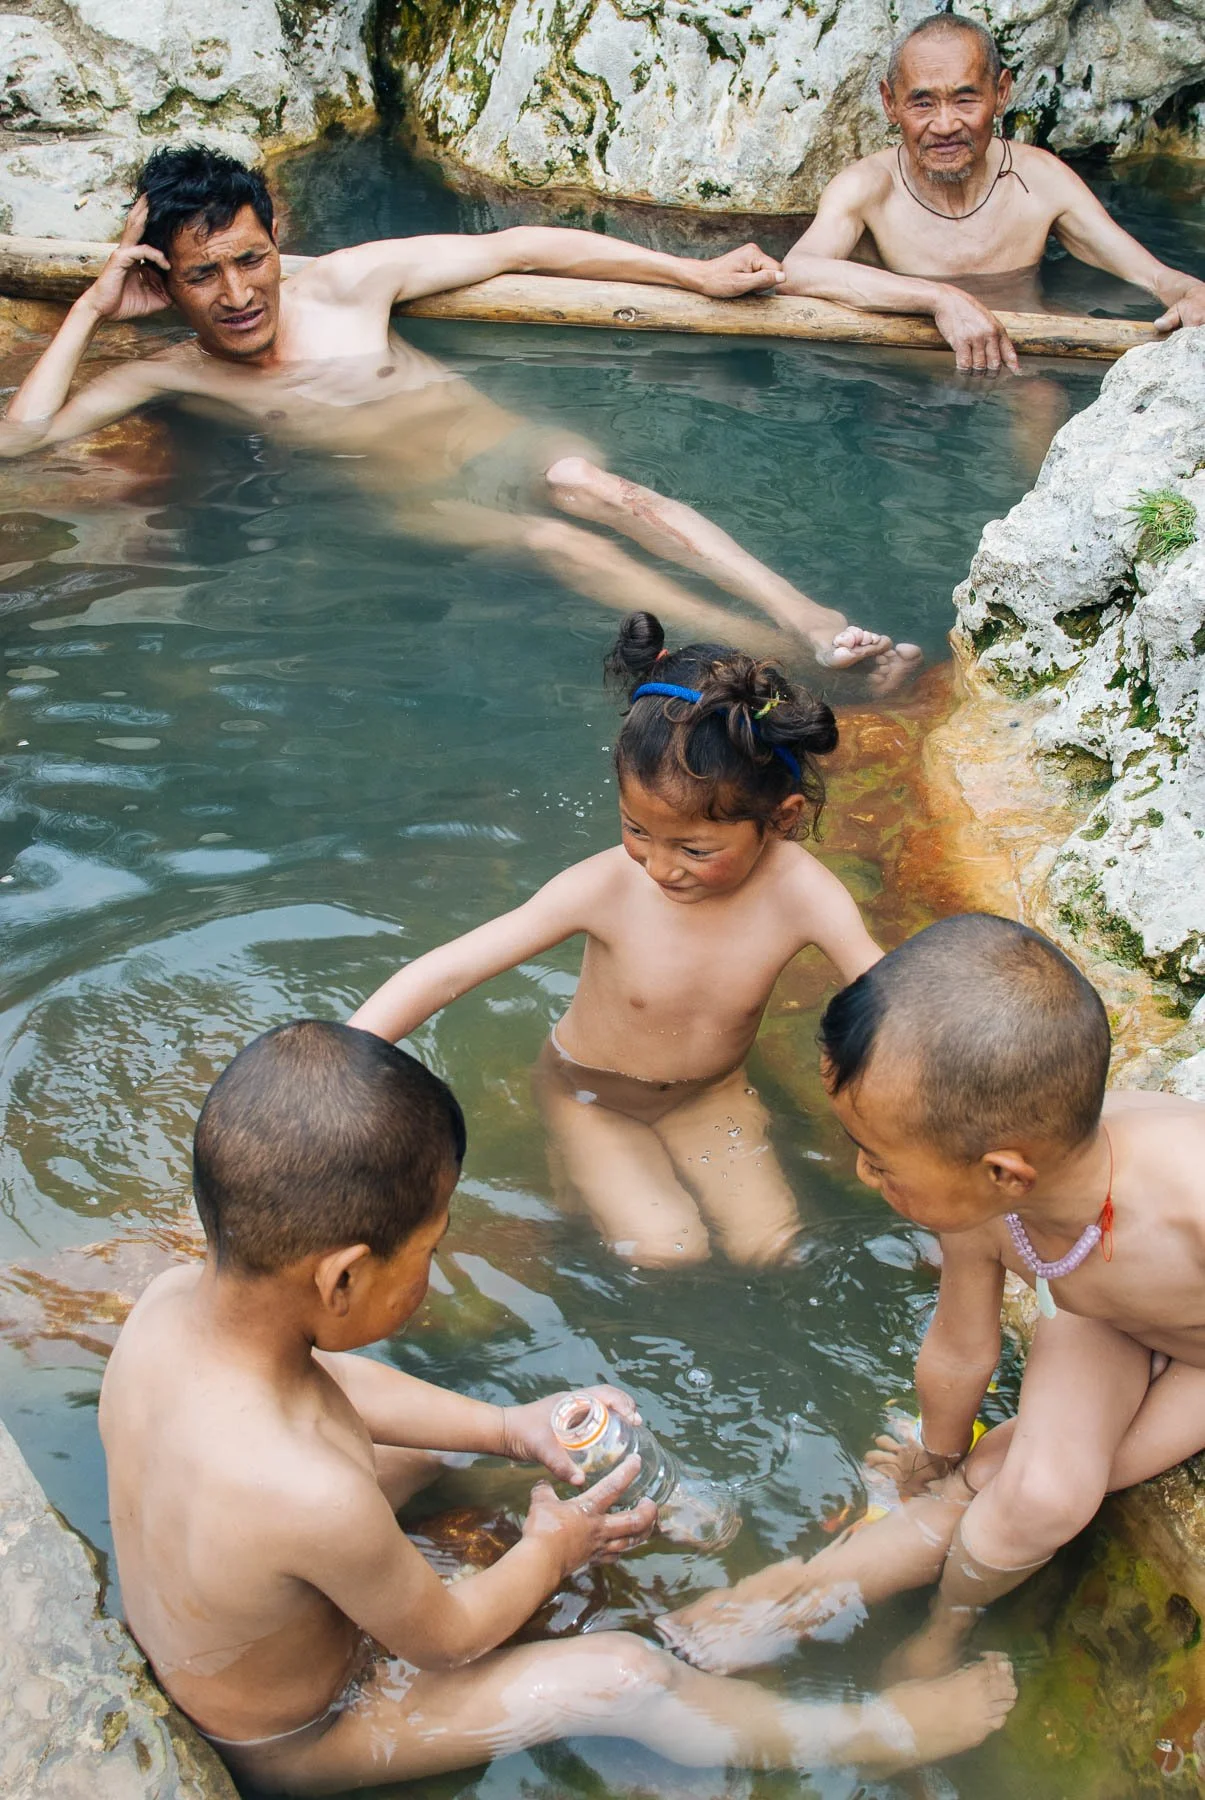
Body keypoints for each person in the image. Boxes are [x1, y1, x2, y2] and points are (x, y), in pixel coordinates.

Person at [99, 1016, 1017, 1795]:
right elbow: (447, 1642)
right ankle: (867, 1733)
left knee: (433, 1449)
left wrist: (510, 1429)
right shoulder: (311, 1497)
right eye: (429, 1249)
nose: (434, 1269)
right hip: (303, 1735)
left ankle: (634, 1553)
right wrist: (552, 1548)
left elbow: (334, 1387)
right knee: (618, 1676)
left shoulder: (168, 1309)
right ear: (342, 1277)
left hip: (237, 1625)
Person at [0, 145, 922, 695]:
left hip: (493, 443)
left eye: (250, 260)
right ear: (163, 280)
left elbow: (518, 245)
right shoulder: (173, 371)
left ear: (276, 242)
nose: (237, 295)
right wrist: (91, 308)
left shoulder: (350, 283)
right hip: (415, 502)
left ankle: (815, 624)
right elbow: (19, 440)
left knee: (595, 488)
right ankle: (777, 664)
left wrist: (693, 273)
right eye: (202, 276)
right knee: (558, 545)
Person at [656, 914, 1205, 1682]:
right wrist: (933, 1453)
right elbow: (958, 1349)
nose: (862, 1175)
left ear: (1002, 1173)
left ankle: (944, 1623)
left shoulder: (1188, 1199)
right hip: (1098, 1316)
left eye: (881, 1164)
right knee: (1032, 1484)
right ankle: (834, 1577)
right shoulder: (991, 1204)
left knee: (1035, 1491)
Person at [351, 610, 882, 1268]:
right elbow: (450, 969)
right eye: (636, 830)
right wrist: (346, 1052)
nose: (659, 867)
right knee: (667, 1250)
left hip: (709, 1094)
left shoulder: (801, 894)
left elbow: (888, 994)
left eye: (694, 849)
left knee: (770, 1244)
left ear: (780, 818)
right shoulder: (605, 887)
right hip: (590, 1096)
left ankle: (593, 1192)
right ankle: (572, 1181)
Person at [782, 13, 1205, 373]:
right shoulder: (868, 187)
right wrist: (937, 298)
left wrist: (1190, 290)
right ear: (890, 103)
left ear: (1000, 93)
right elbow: (798, 271)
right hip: (906, 375)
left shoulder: (1041, 180)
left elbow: (1154, 276)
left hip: (1018, 362)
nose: (945, 125)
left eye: (965, 100)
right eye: (923, 104)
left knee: (1040, 398)